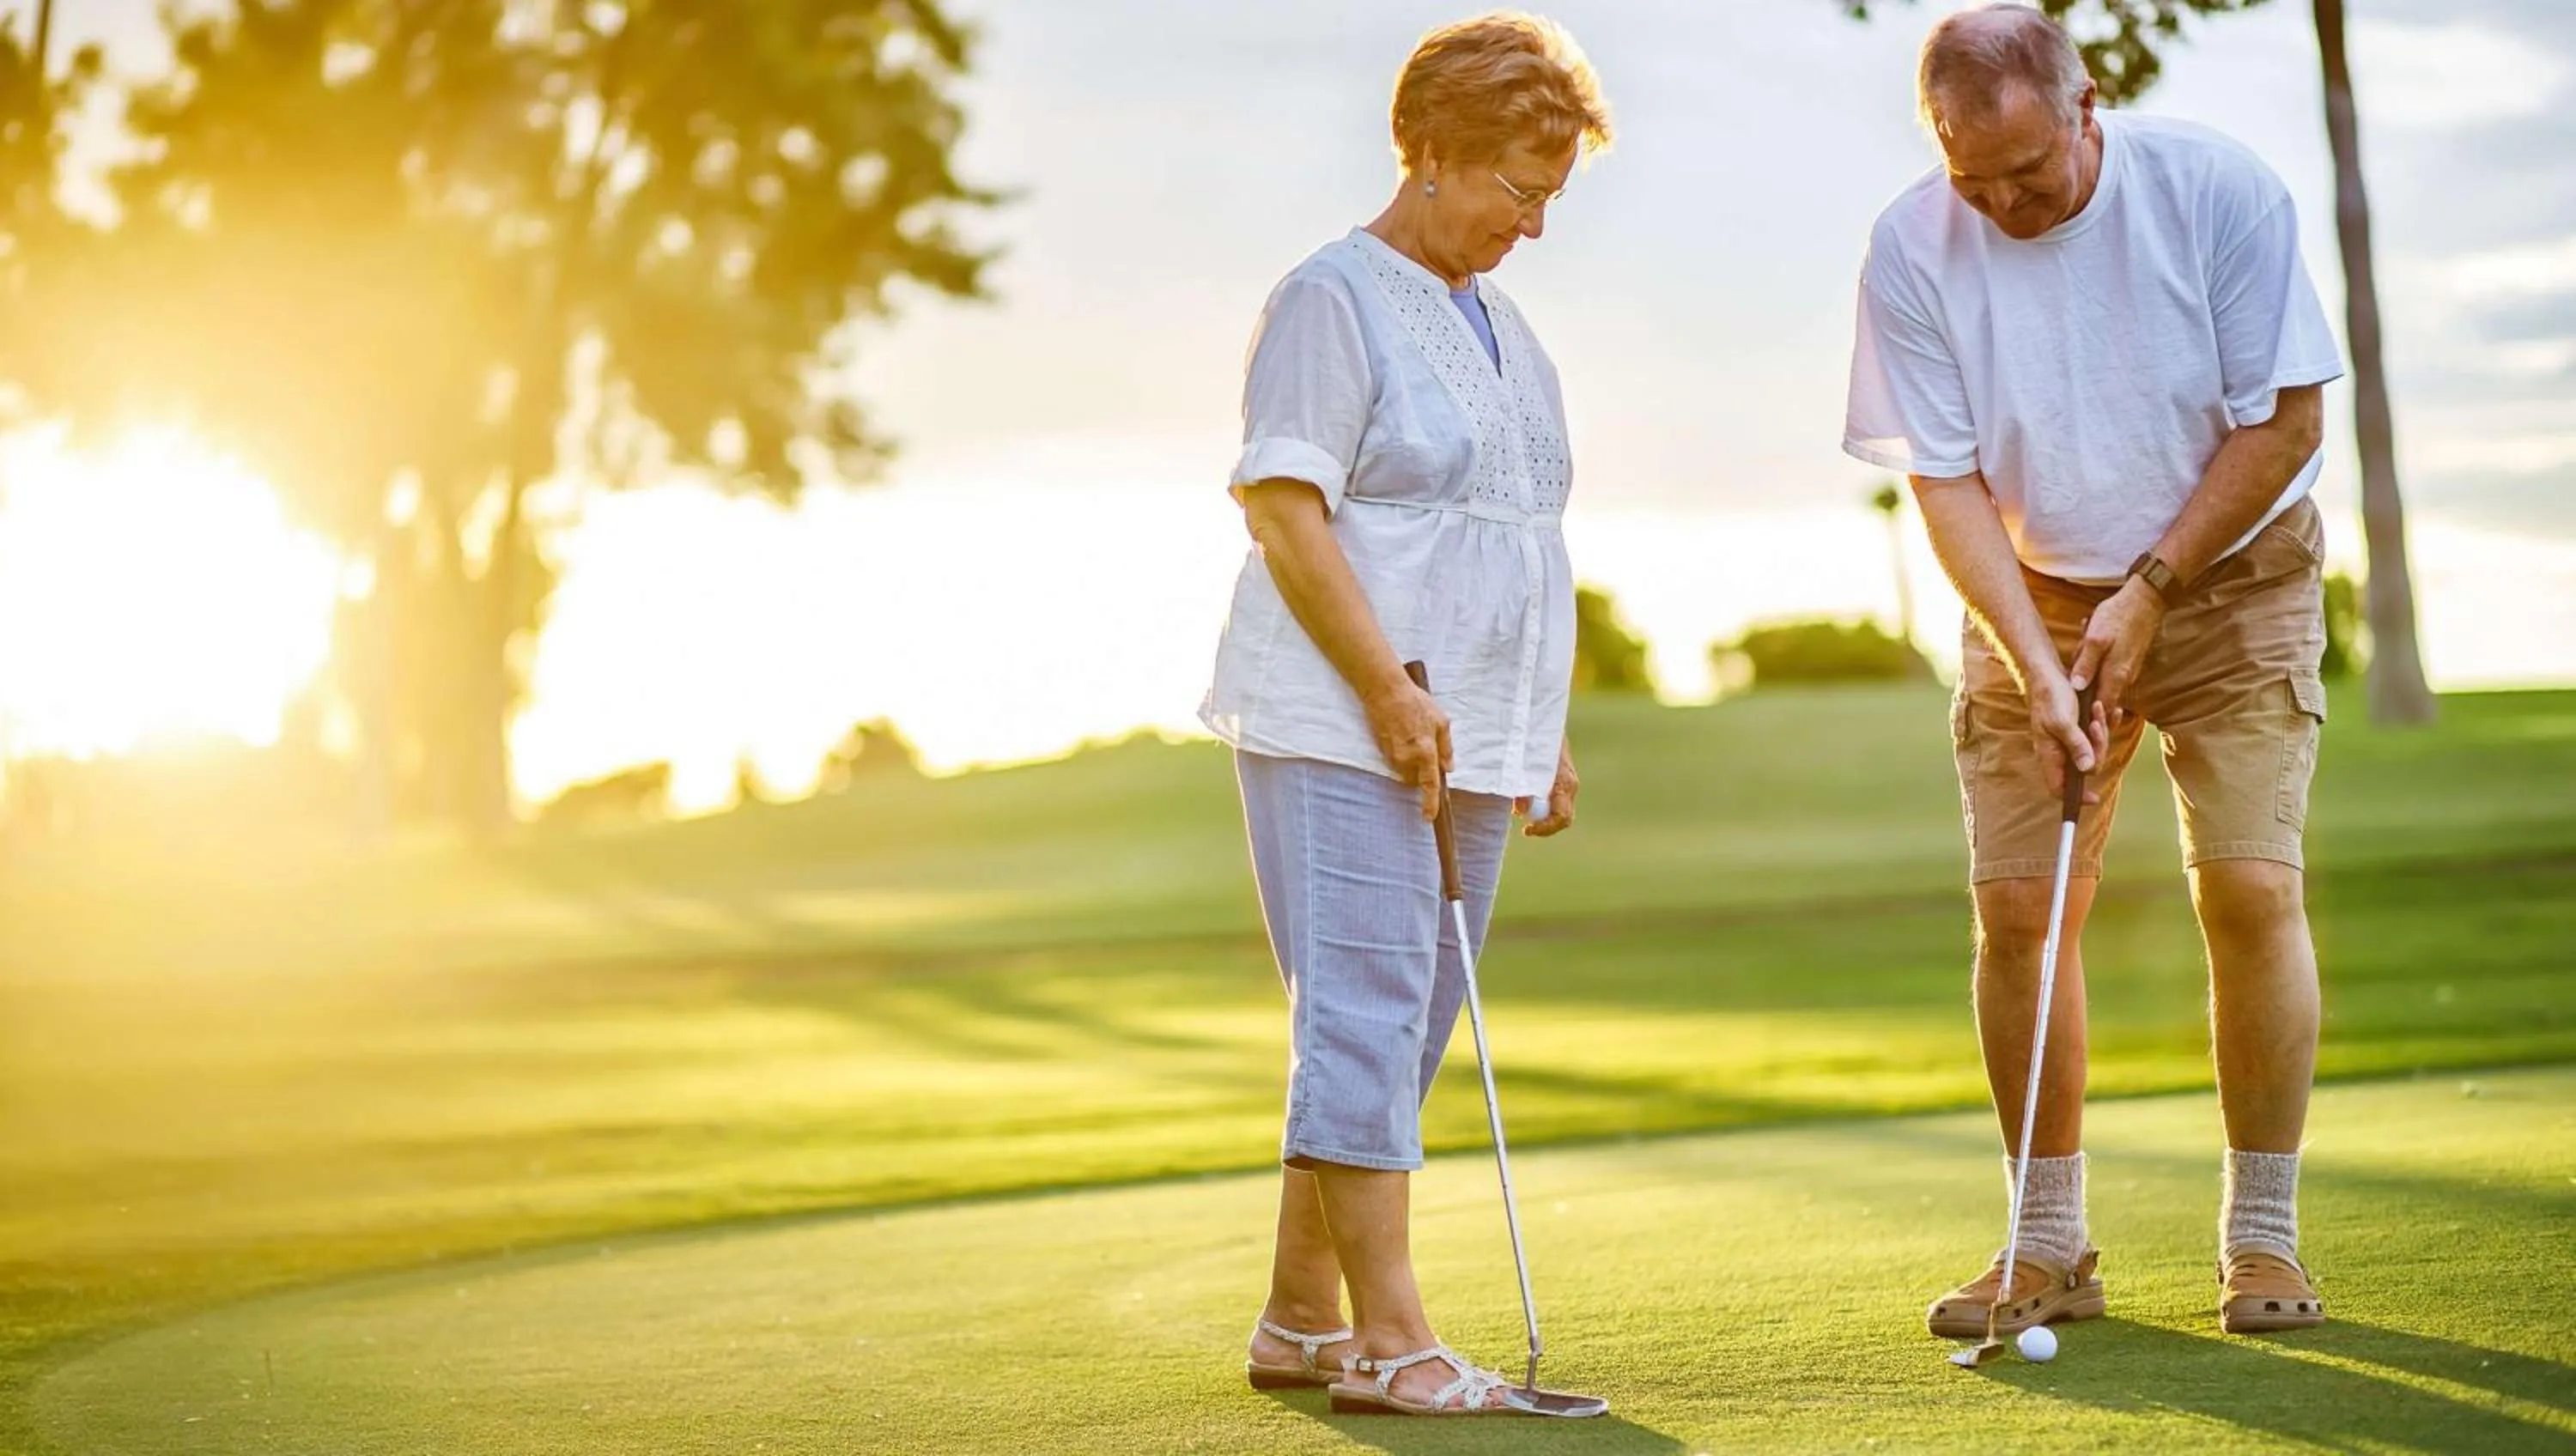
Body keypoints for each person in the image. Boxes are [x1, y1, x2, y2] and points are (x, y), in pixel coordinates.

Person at [1843, 3, 2343, 1340]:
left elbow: (2288, 420)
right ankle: (2048, 1243)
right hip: (2034, 586)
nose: (2005, 203)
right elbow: (1944, 484)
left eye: (2033, 173)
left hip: (2230, 573)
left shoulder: (2217, 194)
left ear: (2086, 112)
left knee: (2246, 883)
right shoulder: (1908, 247)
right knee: (2020, 913)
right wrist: (2036, 655)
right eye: (1972, 178)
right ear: (1938, 143)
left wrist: (2154, 588)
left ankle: (2262, 1239)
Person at [1200, 10, 1608, 1417]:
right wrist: (1384, 685)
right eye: (1517, 189)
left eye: (1552, 197)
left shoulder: (1510, 328)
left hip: (1469, 734)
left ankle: (1301, 1320)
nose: (1534, 225)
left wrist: (1532, 723)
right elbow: (1282, 504)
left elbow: (1511, 536)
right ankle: (1392, 1341)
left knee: (1406, 1026)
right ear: (1429, 153)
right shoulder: (1333, 297)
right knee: (1366, 1021)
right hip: (1338, 721)